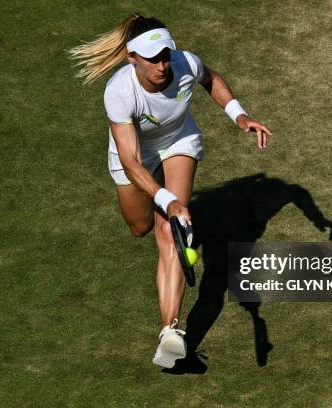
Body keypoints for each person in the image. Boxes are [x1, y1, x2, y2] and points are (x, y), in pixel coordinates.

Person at [69, 13, 272, 368]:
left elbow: (212, 79)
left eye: (165, 54)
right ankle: (167, 215)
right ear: (132, 58)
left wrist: (239, 116)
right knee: (141, 227)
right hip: (133, 156)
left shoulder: (184, 63)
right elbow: (131, 163)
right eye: (153, 58)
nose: (163, 64)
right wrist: (166, 199)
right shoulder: (119, 91)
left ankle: (170, 332)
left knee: (169, 230)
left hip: (178, 141)